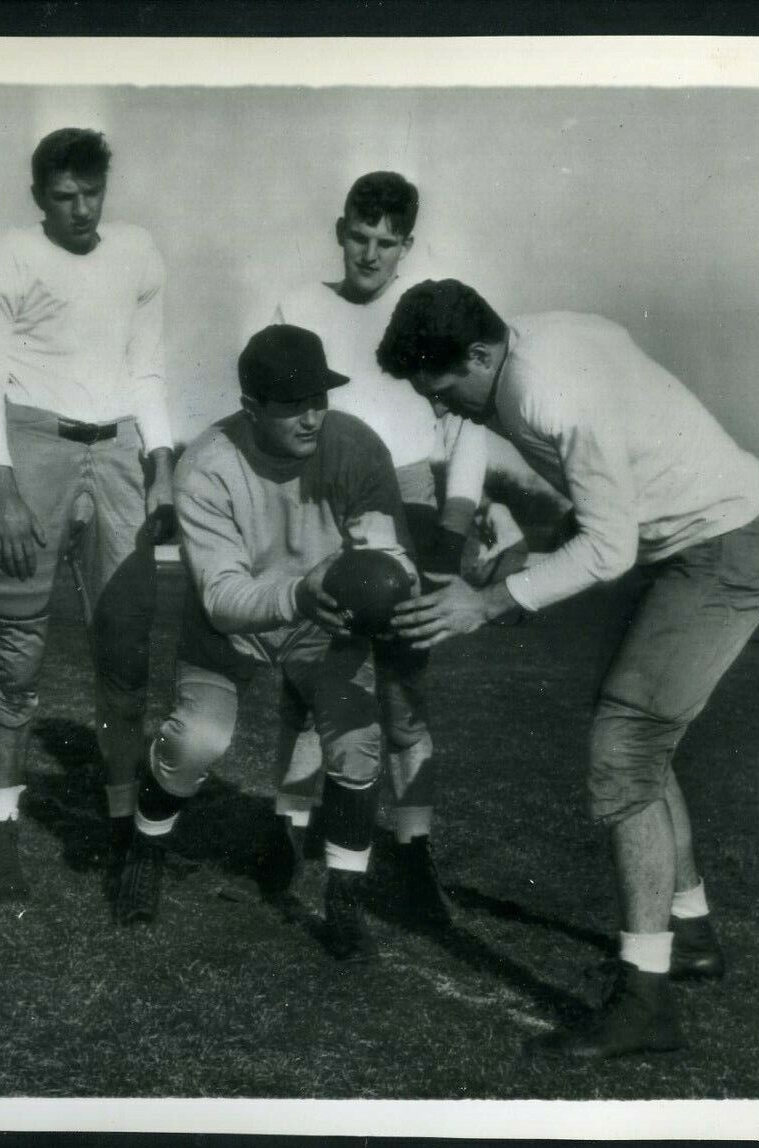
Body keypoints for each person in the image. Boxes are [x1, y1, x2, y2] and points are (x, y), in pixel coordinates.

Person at [379, 280, 759, 1061]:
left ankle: (645, 1002)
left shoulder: (548, 389)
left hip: (722, 544)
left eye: (448, 393)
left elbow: (611, 548)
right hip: (702, 530)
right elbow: (621, 466)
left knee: (624, 749)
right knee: (637, 736)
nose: (447, 411)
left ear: (479, 352)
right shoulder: (536, 339)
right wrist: (529, 549)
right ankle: (690, 929)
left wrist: (489, 602)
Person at [111, 324, 413, 962]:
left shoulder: (355, 447)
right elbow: (221, 598)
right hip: (232, 628)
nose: (312, 417)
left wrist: (387, 584)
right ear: (251, 409)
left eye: (320, 398)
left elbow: (391, 554)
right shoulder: (207, 466)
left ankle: (344, 900)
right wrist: (299, 592)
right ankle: (146, 844)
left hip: (321, 619)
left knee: (357, 739)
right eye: (292, 404)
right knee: (197, 742)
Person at [264, 172, 492, 925]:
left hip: (411, 502)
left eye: (386, 243)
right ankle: (288, 826)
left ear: (407, 246)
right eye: (359, 237)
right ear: (340, 231)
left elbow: (466, 431)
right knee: (315, 667)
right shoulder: (300, 305)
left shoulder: (427, 307)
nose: (370, 254)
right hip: (326, 498)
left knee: (401, 688)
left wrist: (452, 534)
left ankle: (413, 851)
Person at [0, 127, 174, 901]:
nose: (81, 209)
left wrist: (163, 458)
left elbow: (145, 365)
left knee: (125, 653)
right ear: (37, 197)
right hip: (33, 444)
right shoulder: (3, 261)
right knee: (18, 654)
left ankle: (123, 827)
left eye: (92, 192)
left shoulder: (138, 253)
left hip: (118, 451)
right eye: (63, 196)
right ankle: (3, 832)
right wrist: (2, 487)